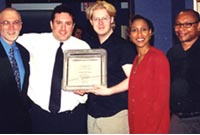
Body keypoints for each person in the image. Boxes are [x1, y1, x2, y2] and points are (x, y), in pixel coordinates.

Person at [17, 4, 90, 133]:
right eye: (58, 23)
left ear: (73, 27)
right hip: (39, 116)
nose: (63, 28)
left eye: (68, 23)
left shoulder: (82, 47)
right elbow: (8, 38)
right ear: (51, 24)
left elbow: (89, 78)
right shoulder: (35, 41)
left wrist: (85, 89)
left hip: (72, 117)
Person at [83, 1, 136, 133]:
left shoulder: (123, 46)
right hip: (93, 114)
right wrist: (82, 88)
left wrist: (109, 91)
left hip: (115, 114)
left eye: (104, 18)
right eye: (96, 19)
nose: (100, 23)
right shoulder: (91, 46)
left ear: (112, 19)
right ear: (91, 21)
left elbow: (133, 79)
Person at [128, 14, 170, 133]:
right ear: (130, 35)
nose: (140, 34)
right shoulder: (136, 59)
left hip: (153, 128)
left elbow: (161, 101)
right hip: (137, 126)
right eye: (135, 30)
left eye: (144, 30)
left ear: (150, 32)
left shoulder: (158, 58)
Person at [167, 9, 200, 133]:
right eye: (178, 24)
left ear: (199, 26)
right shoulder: (172, 53)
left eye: (187, 24)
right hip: (179, 120)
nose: (181, 29)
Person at [0, 8, 31, 133]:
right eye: (6, 23)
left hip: (22, 125)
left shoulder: (24, 53)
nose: (11, 27)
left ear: (21, 25)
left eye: (16, 22)